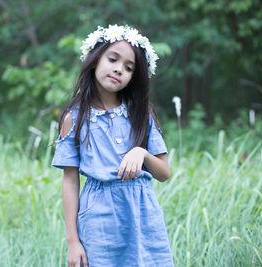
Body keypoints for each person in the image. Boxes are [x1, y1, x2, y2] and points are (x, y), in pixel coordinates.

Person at [52, 25, 174, 267]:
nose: (119, 69)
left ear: (133, 78)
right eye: (113, 59)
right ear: (95, 59)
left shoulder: (141, 114)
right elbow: (70, 180)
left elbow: (164, 173)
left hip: (142, 214)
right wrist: (72, 242)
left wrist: (141, 153)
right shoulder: (73, 119)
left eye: (129, 68)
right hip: (99, 218)